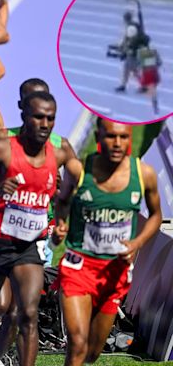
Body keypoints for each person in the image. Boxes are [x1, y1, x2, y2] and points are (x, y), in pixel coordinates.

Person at [0, 91, 81, 366]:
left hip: (28, 246)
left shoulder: (61, 150)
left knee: (24, 315)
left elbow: (71, 190)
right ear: (24, 117)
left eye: (50, 119)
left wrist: (63, 219)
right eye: (38, 118)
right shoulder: (3, 147)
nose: (45, 125)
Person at [53, 118, 162, 366]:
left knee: (92, 352)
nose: (117, 143)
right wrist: (61, 223)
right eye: (111, 136)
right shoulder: (78, 170)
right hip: (78, 267)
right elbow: (62, 201)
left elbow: (156, 216)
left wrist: (137, 242)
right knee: (78, 343)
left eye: (123, 137)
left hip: (115, 272)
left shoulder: (144, 174)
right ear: (99, 135)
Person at [115, 11, 147, 93]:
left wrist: (122, 48)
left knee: (134, 70)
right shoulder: (136, 25)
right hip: (137, 50)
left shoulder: (130, 28)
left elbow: (128, 41)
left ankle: (144, 86)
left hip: (133, 52)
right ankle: (123, 85)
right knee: (126, 68)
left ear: (125, 19)